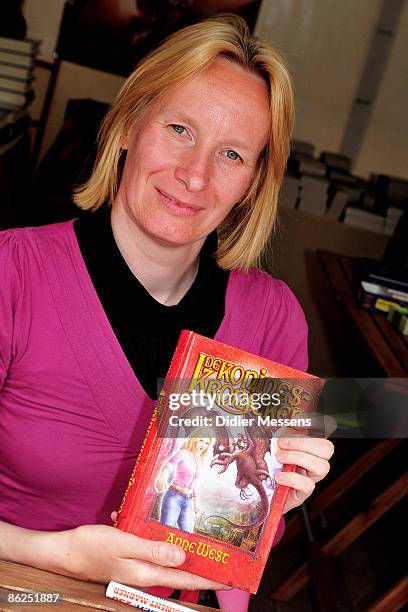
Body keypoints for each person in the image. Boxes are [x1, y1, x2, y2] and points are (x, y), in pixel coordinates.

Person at [0, 15, 334, 612]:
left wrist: (272, 497)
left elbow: (231, 551)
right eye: (180, 129)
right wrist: (56, 554)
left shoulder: (274, 319)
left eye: (231, 153)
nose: (196, 174)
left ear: (254, 182)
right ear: (129, 124)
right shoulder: (13, 277)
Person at [156, 430, 213, 533]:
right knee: (165, 531)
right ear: (195, 440)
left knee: (187, 535)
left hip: (188, 502)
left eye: (206, 443)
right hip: (174, 497)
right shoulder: (184, 453)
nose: (203, 445)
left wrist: (196, 501)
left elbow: (195, 483)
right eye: (201, 441)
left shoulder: (201, 461)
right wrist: (164, 474)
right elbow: (170, 464)